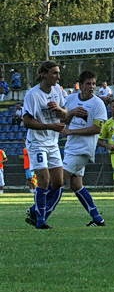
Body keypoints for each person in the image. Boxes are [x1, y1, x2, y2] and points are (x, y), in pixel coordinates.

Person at [55, 70, 107, 226]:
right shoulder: (70, 99)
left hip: (84, 149)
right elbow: (62, 119)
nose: (91, 87)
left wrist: (72, 131)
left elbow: (98, 129)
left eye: (93, 84)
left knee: (58, 180)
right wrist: (71, 113)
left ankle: (39, 212)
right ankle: (97, 218)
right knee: (76, 184)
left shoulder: (98, 103)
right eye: (88, 84)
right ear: (80, 85)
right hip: (72, 147)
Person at [22, 61, 68, 229]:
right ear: (43, 74)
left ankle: (35, 211)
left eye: (58, 73)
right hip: (37, 143)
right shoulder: (32, 94)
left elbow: (66, 115)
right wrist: (50, 126)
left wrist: (60, 110)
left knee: (58, 183)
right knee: (44, 180)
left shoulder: (58, 91)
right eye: (54, 73)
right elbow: (26, 121)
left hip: (53, 142)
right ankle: (41, 219)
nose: (58, 76)